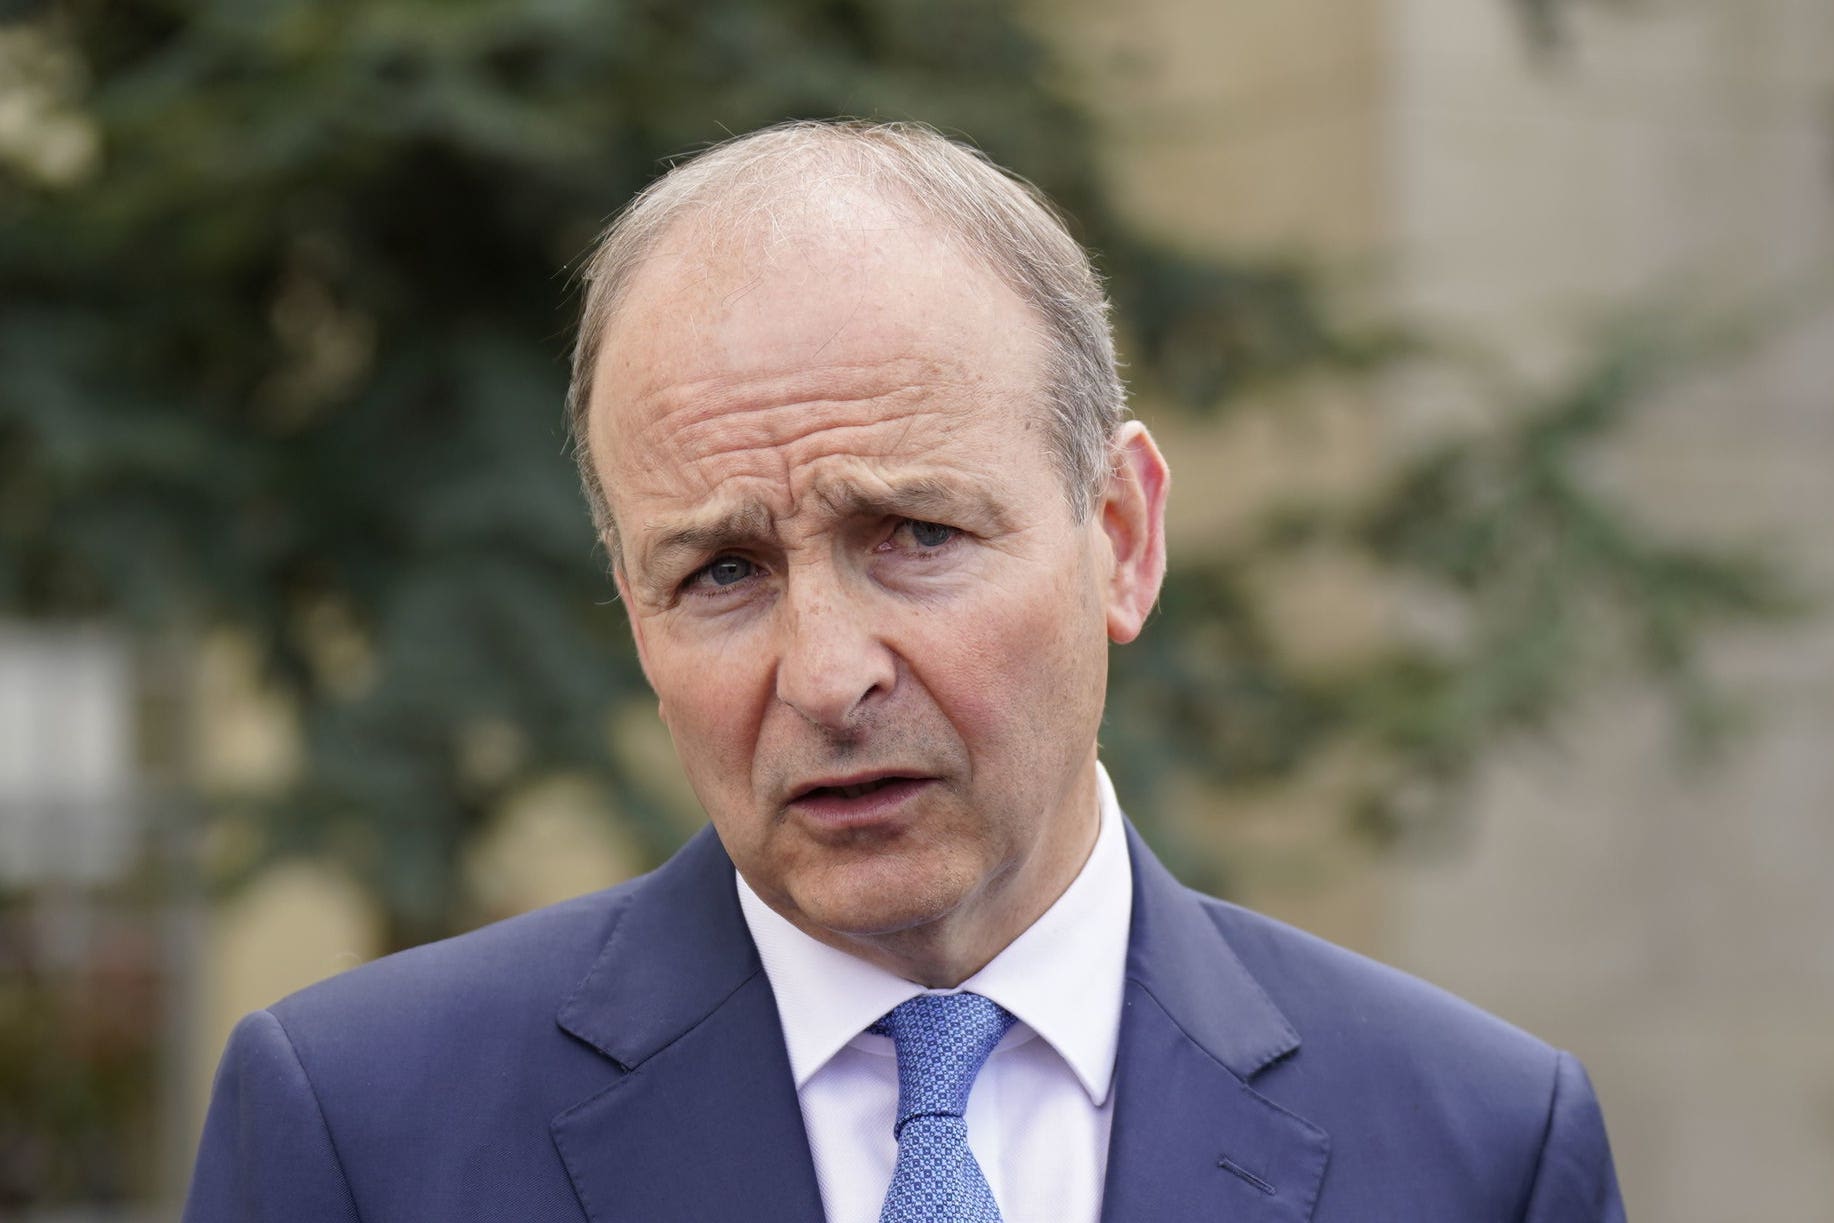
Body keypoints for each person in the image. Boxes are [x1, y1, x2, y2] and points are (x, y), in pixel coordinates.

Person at [183, 120, 1625, 1222]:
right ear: (632, 614)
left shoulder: (1475, 1145)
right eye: (722, 572)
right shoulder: (364, 1134)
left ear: (1118, 539)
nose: (824, 674)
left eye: (914, 534)